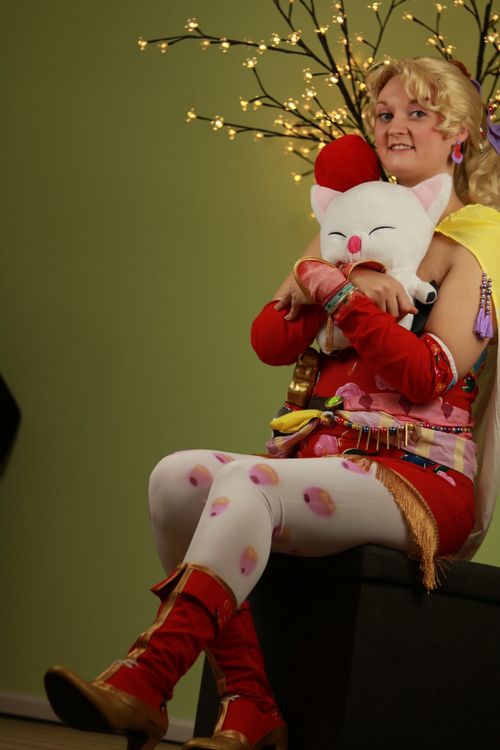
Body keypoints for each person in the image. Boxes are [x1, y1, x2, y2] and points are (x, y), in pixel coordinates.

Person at [44, 57, 500, 750]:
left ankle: (148, 675)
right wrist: (329, 275)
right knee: (175, 479)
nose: (395, 127)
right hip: (326, 454)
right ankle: (250, 702)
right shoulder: (354, 216)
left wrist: (335, 289)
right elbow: (271, 340)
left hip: (420, 474)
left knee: (247, 482)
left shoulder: (478, 238)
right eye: (384, 114)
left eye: (418, 113)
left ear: (459, 132)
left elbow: (424, 376)